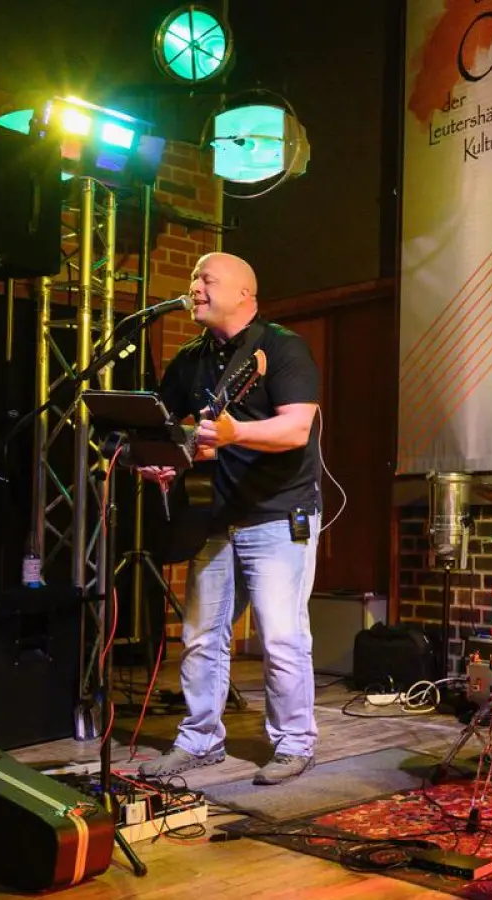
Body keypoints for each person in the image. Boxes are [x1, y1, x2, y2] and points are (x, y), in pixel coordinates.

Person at [135, 252, 324, 786]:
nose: (193, 286)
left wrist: (237, 434)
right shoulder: (190, 361)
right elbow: (167, 430)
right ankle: (199, 741)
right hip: (214, 516)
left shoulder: (282, 349)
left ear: (245, 292)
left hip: (278, 512)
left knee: (281, 636)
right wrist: (161, 461)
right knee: (200, 635)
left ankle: (294, 744)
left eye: (205, 279)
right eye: (194, 277)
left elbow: (295, 431)